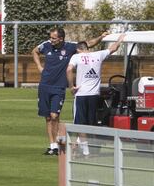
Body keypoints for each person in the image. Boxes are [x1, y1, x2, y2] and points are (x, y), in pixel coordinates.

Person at [32, 27, 108, 156]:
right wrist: (40, 67)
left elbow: (88, 43)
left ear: (61, 38)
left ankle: (59, 141)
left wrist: (101, 37)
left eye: (54, 38)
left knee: (55, 115)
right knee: (48, 117)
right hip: (44, 86)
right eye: (50, 37)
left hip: (59, 87)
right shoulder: (46, 45)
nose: (51, 40)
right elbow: (34, 51)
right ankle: (53, 146)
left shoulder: (70, 47)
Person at [66, 33, 125, 155]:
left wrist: (71, 86)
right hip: (94, 94)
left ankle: (85, 151)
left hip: (81, 94)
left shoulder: (76, 57)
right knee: (90, 122)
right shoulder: (98, 54)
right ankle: (83, 147)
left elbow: (68, 69)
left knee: (80, 123)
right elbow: (113, 48)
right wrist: (120, 39)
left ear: (78, 49)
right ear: (87, 48)